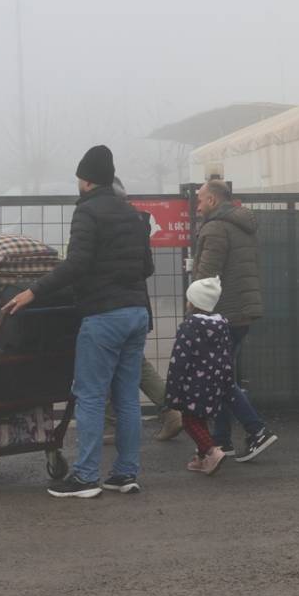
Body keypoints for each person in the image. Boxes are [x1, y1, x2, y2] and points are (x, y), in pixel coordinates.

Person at [5, 145, 153, 498]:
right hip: (136, 313)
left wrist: (33, 291)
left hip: (104, 315)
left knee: (89, 395)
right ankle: (125, 474)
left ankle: (86, 477)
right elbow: (146, 267)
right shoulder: (133, 214)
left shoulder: (88, 212)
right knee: (127, 399)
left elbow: (76, 264)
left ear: (86, 181)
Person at [193, 180, 278, 461]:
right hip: (242, 311)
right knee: (224, 374)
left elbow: (206, 276)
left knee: (220, 379)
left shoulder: (216, 228)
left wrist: (193, 312)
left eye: (201, 199)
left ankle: (256, 430)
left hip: (221, 314)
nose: (198, 205)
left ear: (214, 201)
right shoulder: (244, 226)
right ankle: (222, 439)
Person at [105, 176, 182, 442]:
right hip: (137, 304)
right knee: (132, 361)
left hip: (109, 306)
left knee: (105, 362)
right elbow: (148, 267)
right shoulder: (139, 222)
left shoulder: (102, 222)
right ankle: (170, 409)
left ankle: (111, 425)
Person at [165, 277, 238, 475]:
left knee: (190, 421)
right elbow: (227, 357)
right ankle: (200, 459)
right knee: (201, 420)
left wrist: (172, 391)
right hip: (214, 384)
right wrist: (228, 383)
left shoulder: (189, 326)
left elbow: (179, 360)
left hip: (192, 385)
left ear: (193, 303)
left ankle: (211, 452)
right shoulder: (222, 325)